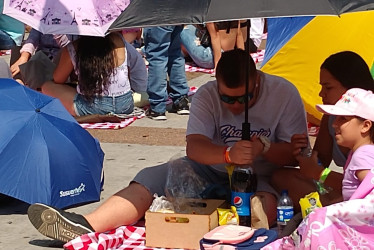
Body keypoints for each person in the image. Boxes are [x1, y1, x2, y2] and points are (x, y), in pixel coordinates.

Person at [27, 49, 308, 243]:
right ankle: (86, 225)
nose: (234, 107)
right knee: (151, 178)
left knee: (264, 207)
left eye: (242, 99)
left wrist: (263, 149)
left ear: (257, 82)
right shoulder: (207, 95)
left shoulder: (284, 94)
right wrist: (227, 154)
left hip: (260, 177)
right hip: (210, 170)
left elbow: (293, 155)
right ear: (217, 86)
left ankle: (229, 232)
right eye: (227, 99)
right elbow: (194, 147)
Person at [271, 51, 374, 211]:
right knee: (280, 176)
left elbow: (365, 188)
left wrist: (320, 173)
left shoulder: (364, 153)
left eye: (328, 87)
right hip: (348, 196)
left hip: (361, 206)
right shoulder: (331, 119)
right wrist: (302, 152)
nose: (321, 93)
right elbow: (319, 161)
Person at [40, 32, 147, 117]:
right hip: (125, 104)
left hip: (93, 107)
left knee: (47, 86)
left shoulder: (73, 48)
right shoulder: (118, 40)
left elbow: (58, 80)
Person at [316, 88, 374, 201]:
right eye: (335, 118)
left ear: (365, 126)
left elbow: (371, 192)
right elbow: (357, 195)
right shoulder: (358, 153)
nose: (334, 124)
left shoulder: (362, 156)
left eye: (343, 118)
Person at [143, 25, 190, 120]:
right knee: (175, 54)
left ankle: (157, 106)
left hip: (156, 15)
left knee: (157, 56)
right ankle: (181, 100)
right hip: (176, 14)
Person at [180, 18, 264, 71]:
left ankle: (182, 55)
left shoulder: (212, 13)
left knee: (183, 31)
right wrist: (243, 59)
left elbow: (215, 38)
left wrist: (218, 65)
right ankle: (185, 54)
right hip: (231, 54)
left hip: (211, 58)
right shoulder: (234, 11)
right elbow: (239, 35)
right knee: (191, 29)